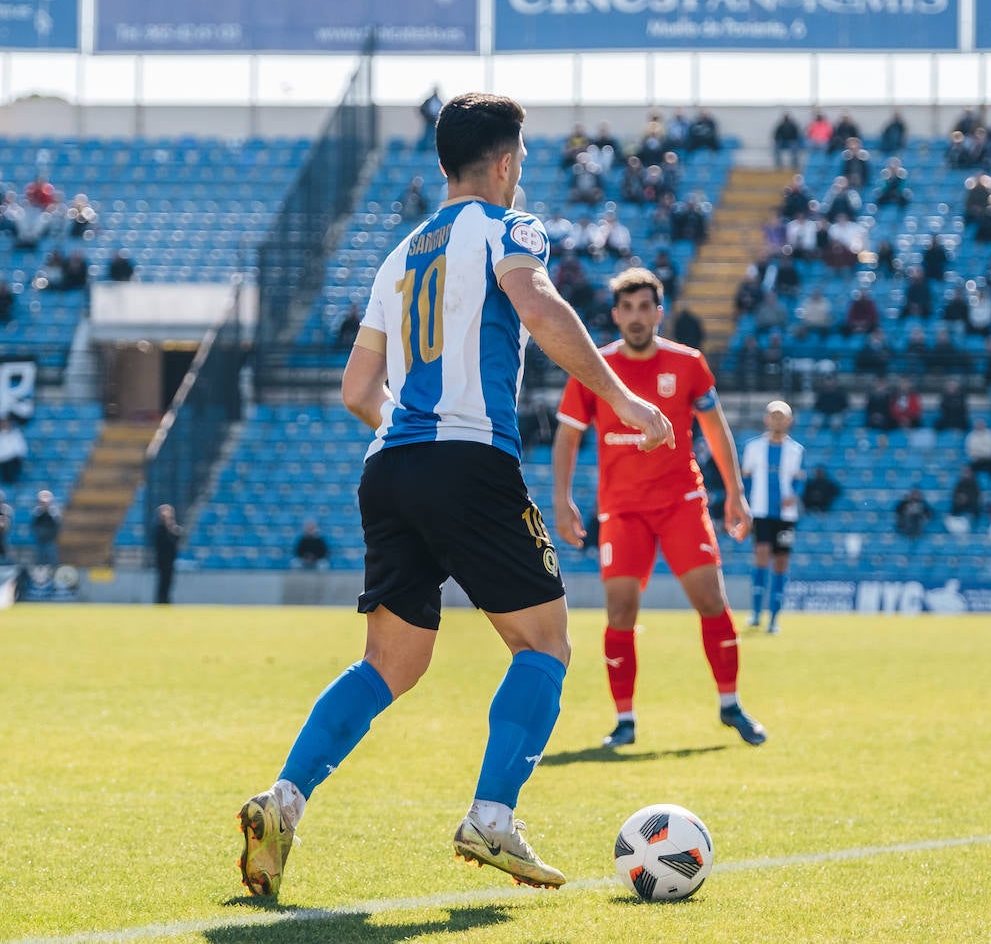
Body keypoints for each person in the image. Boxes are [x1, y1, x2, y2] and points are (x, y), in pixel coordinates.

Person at [237, 92, 675, 900]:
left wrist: (413, 431)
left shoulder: (398, 254)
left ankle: (284, 800)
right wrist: (624, 400)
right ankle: (491, 815)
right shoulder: (510, 228)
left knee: (391, 661)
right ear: (505, 162)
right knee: (545, 643)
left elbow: (356, 387)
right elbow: (538, 304)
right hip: (469, 458)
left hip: (390, 464)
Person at [552, 266, 765, 752]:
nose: (635, 316)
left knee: (711, 602)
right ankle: (624, 721)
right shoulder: (594, 367)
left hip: (681, 504)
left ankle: (731, 705)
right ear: (615, 314)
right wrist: (561, 499)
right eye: (626, 308)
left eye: (644, 306)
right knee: (621, 611)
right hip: (623, 510)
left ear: (658, 312)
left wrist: (734, 492)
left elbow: (715, 430)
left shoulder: (688, 364)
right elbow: (568, 435)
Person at [741, 400, 805, 635]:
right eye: (773, 415)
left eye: (782, 416)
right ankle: (757, 614)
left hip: (786, 516)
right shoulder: (754, 447)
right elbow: (745, 479)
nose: (777, 419)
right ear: (766, 419)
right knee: (761, 556)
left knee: (781, 562)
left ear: (789, 420)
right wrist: (745, 505)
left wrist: (794, 496)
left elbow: (799, 479)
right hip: (760, 512)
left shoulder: (796, 450)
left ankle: (774, 619)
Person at [153, 504, 182, 604]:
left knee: (169, 582)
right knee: (162, 582)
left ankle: (166, 600)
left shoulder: (173, 528)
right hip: (162, 560)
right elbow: (162, 543)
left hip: (170, 560)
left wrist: (171, 526)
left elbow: (178, 538)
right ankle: (161, 600)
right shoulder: (160, 528)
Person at [30, 490, 62, 566]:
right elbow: (33, 526)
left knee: (52, 561)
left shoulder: (54, 512)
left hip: (50, 541)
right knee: (40, 562)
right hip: (40, 541)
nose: (44, 504)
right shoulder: (37, 512)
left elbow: (57, 525)